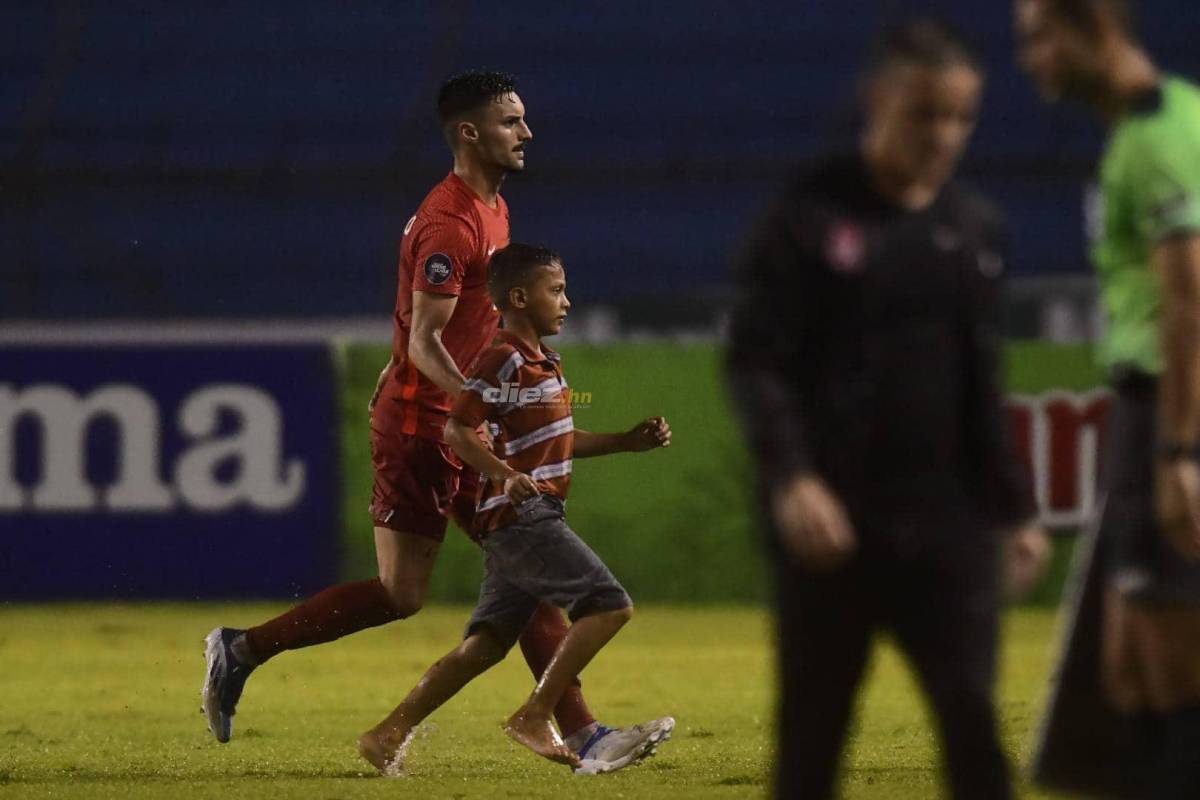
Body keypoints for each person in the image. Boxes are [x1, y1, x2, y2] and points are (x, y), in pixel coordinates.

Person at [201, 71, 672, 771]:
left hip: (421, 418)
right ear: (469, 133)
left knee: (402, 595)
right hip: (432, 428)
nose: (527, 133)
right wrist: (478, 409)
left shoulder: (493, 210)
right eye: (511, 121)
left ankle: (242, 650)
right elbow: (426, 340)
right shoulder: (451, 221)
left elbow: (455, 337)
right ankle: (580, 731)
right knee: (530, 559)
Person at [727, 19, 1051, 800]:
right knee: (812, 744)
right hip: (833, 531)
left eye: (960, 116)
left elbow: (983, 380)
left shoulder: (976, 229)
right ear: (879, 100)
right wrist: (794, 479)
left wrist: (1015, 509)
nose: (943, 135)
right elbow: (757, 361)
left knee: (976, 734)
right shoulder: (807, 217)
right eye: (924, 113)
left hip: (950, 530)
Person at [356, 243, 675, 775]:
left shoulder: (542, 360)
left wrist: (625, 441)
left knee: (484, 646)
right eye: (557, 291)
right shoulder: (501, 356)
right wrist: (506, 476)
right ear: (520, 298)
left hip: (516, 520)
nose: (567, 302)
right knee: (610, 605)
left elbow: (558, 438)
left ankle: (385, 734)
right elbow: (457, 428)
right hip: (523, 517)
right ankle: (536, 714)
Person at [1016, 2, 1200, 796]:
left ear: (1094, 26)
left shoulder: (1158, 138)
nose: (1032, 59)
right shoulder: (1154, 126)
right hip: (1148, 409)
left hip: (1168, 405)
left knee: (1166, 664)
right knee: (1123, 675)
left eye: (1041, 37)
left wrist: (1180, 450)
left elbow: (1189, 300)